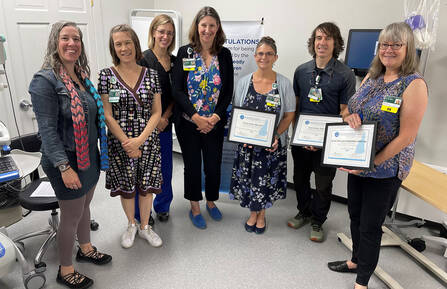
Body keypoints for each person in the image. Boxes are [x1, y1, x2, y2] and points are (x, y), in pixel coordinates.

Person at [328, 22, 428, 289]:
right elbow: (349, 111)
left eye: (396, 44)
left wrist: (373, 163)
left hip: (385, 169)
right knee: (355, 216)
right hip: (358, 163)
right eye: (384, 44)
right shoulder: (372, 78)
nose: (389, 50)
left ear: (408, 49)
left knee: (370, 226)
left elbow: (406, 137)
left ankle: (362, 282)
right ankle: (356, 261)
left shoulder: (413, 84)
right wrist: (350, 117)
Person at [29, 21, 111, 289]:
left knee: (85, 207)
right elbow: (48, 132)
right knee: (71, 215)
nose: (72, 43)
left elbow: (92, 117)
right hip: (66, 161)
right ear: (55, 42)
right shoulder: (45, 81)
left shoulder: (81, 77)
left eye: (76, 39)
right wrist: (65, 167)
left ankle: (85, 248)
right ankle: (65, 270)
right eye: (66, 38)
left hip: (88, 157)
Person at [288, 22, 356, 242]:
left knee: (323, 184)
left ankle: (318, 220)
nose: (322, 43)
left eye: (327, 38)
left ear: (335, 43)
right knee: (299, 179)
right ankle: (304, 212)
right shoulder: (301, 70)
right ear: (313, 42)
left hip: (327, 143)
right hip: (302, 139)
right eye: (318, 38)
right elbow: (295, 108)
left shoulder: (345, 74)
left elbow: (345, 112)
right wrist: (297, 136)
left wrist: (323, 140)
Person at [98, 24, 163, 249]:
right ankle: (131, 224)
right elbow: (106, 113)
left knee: (146, 186)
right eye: (118, 44)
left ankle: (145, 226)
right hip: (120, 142)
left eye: (127, 42)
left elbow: (157, 112)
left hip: (147, 142)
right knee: (127, 187)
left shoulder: (151, 75)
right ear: (113, 48)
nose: (124, 48)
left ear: (135, 44)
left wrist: (139, 140)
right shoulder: (107, 76)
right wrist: (128, 142)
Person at [172, 6, 233, 229]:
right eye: (203, 25)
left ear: (218, 28)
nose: (207, 30)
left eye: (212, 25)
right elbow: (177, 90)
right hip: (189, 123)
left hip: (214, 123)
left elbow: (227, 91)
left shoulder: (224, 55)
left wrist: (215, 117)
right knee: (192, 165)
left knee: (213, 164)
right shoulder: (185, 53)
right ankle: (195, 206)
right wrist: (196, 116)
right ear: (197, 27)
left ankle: (211, 201)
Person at [230, 36, 295, 234]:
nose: (264, 57)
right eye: (260, 53)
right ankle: (252, 213)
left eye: (268, 54)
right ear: (254, 56)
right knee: (250, 180)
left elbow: (289, 114)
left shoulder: (283, 83)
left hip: (272, 146)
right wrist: (242, 136)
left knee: (265, 182)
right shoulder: (243, 83)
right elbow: (237, 112)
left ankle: (262, 215)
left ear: (275, 57)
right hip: (248, 147)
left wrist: (275, 136)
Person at [137, 14, 176, 224]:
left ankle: (162, 206)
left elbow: (178, 93)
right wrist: (154, 119)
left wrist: (165, 117)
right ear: (153, 32)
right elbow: (137, 95)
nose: (165, 36)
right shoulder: (142, 59)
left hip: (165, 125)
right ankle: (141, 213)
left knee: (165, 169)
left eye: (169, 32)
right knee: (144, 170)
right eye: (161, 31)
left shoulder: (176, 61)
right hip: (144, 127)